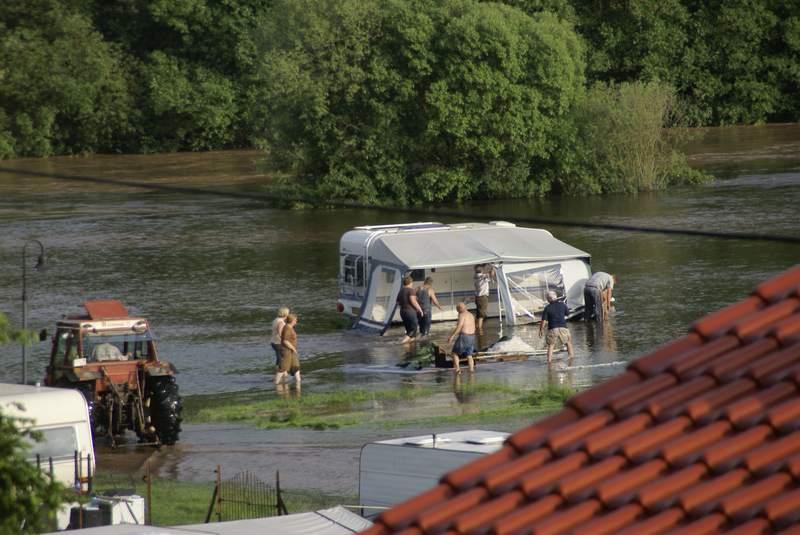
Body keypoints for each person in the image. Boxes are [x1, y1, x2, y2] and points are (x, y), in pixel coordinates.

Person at [539, 291, 574, 362]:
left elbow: (544, 321)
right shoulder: (563, 304)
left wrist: (541, 330)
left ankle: (549, 361)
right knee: (568, 343)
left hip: (552, 329)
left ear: (549, 299)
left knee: (551, 345)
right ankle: (571, 358)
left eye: (547, 298)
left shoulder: (547, 308)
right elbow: (568, 314)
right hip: (563, 327)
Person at [448, 302, 476, 373]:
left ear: (459, 309)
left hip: (464, 336)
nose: (457, 312)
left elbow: (459, 326)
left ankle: (458, 370)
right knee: (469, 355)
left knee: (454, 353)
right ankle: (471, 370)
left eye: (457, 310)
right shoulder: (471, 314)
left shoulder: (462, 315)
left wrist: (452, 336)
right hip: (472, 336)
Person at [275, 314, 301, 386]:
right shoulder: (287, 328)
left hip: (292, 351)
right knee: (283, 368)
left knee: (296, 367)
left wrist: (293, 350)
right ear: (292, 321)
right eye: (295, 320)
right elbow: (285, 341)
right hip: (287, 351)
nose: (296, 321)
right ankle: (276, 383)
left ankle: (298, 382)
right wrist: (293, 348)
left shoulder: (290, 327)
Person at [397, 275, 424, 343]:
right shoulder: (410, 290)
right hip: (410, 312)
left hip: (402, 311)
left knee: (409, 331)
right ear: (410, 282)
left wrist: (404, 303)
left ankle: (409, 348)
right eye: (412, 282)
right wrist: (420, 309)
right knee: (413, 330)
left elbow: (397, 302)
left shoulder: (401, 291)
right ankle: (401, 343)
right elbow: (413, 301)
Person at [473, 264, 495, 333]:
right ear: (481, 270)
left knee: (478, 314)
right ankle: (480, 330)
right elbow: (491, 274)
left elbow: (488, 274)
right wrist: (493, 267)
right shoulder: (483, 276)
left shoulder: (475, 276)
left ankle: (475, 327)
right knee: (481, 315)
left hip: (478, 297)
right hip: (482, 297)